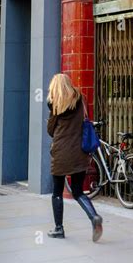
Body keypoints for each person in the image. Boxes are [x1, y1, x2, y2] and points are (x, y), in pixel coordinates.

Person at [46, 73, 103, 242]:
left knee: (57, 192)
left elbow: (51, 130)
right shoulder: (81, 98)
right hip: (79, 153)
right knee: (78, 191)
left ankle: (59, 228)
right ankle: (94, 217)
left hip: (61, 153)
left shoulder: (54, 104)